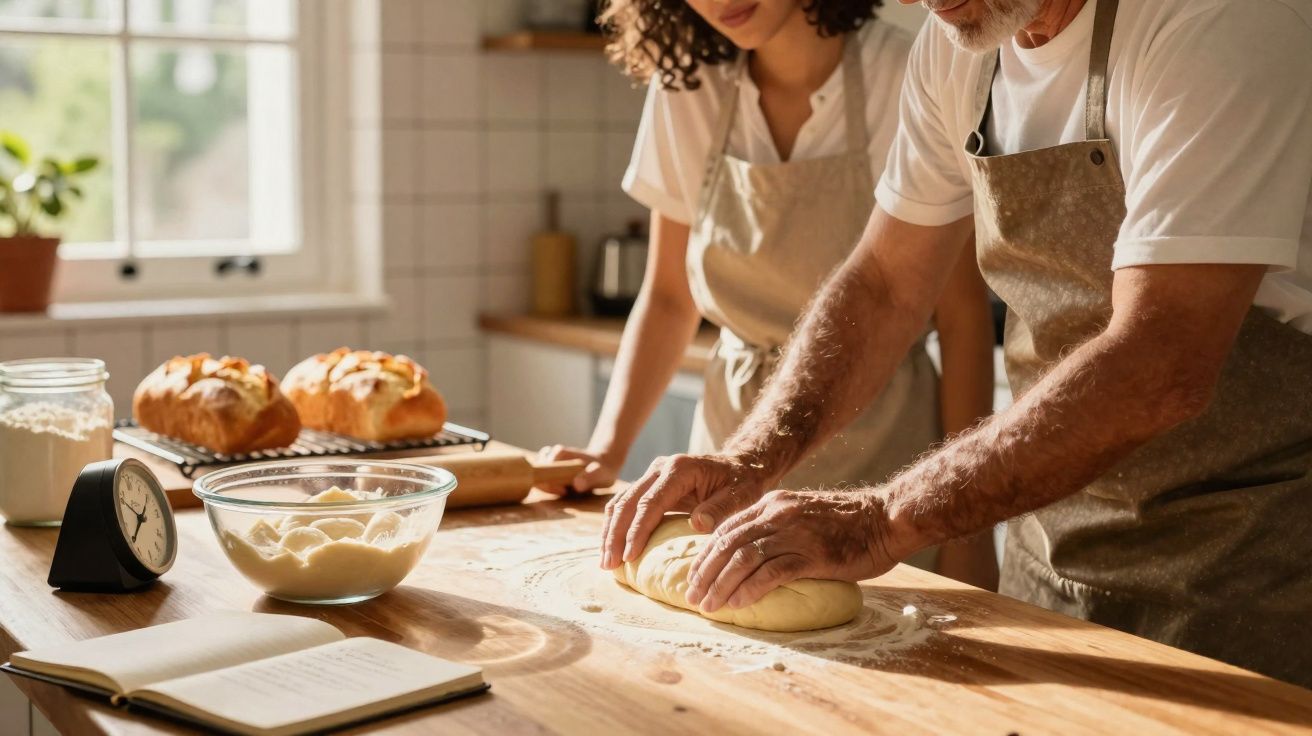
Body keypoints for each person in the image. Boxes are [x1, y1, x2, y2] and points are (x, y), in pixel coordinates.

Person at [600, 0, 1312, 686]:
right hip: (1049, 550)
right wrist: (751, 459)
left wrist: (882, 520)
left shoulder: (1216, 22)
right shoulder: (959, 52)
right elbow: (885, 285)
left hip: (1245, 565)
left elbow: (1163, 359)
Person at [541, 0, 1000, 589]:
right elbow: (668, 298)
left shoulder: (902, 68)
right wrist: (605, 451)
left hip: (884, 455)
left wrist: (965, 531)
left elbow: (961, 319)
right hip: (732, 444)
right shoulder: (688, 82)